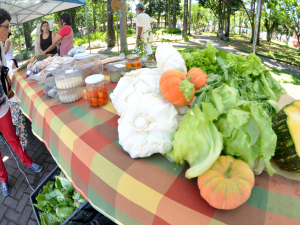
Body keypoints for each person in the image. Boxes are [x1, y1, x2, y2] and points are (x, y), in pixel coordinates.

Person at [0, 8, 43, 197]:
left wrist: (10, 89)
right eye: (7, 27)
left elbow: (4, 72)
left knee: (12, 138)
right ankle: (2, 178)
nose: (9, 31)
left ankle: (27, 161)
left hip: (2, 106)